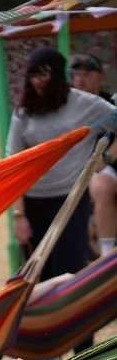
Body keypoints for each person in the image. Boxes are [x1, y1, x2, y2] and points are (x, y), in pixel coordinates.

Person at [6, 46, 115, 354]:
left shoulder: (85, 104)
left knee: (71, 279)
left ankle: (82, 354)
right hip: (31, 204)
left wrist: (105, 155)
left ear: (57, 74)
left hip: (70, 201)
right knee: (35, 282)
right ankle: (43, 354)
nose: (38, 81)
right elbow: (13, 164)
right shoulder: (24, 111)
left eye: (44, 74)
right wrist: (18, 216)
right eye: (32, 75)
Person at [69, 52, 117, 256]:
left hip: (108, 164)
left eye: (87, 74)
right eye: (76, 74)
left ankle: (107, 252)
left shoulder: (111, 104)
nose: (80, 79)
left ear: (101, 77)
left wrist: (105, 160)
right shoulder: (67, 106)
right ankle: (104, 254)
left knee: (101, 182)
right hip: (75, 170)